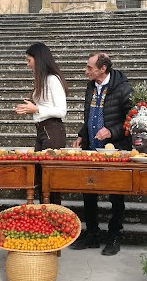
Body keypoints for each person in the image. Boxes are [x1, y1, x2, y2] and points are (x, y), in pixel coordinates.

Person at [70, 52, 133, 256]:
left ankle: (114, 236)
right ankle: (92, 234)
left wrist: (111, 131)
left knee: (116, 194)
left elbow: (132, 119)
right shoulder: (90, 86)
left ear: (102, 68)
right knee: (88, 191)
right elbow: (88, 116)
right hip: (91, 148)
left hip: (114, 149)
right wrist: (81, 135)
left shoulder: (123, 88)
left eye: (89, 67)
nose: (85, 70)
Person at [14, 42, 69, 204]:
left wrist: (36, 109)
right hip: (43, 130)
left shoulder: (52, 80)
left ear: (38, 60)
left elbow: (61, 110)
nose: (27, 64)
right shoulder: (43, 80)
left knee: (50, 178)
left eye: (29, 60)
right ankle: (44, 214)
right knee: (40, 176)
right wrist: (30, 108)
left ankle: (53, 216)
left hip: (52, 130)